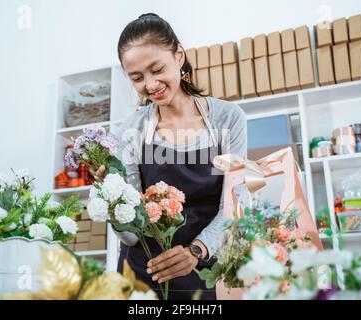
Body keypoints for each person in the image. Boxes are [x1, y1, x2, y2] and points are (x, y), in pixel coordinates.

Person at [94, 13, 247, 300]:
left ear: (179, 56)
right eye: (137, 78)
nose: (150, 85)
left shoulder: (227, 120)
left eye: (156, 69)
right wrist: (113, 204)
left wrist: (196, 251)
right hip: (143, 275)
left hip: (205, 267)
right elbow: (132, 234)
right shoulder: (131, 132)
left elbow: (235, 206)